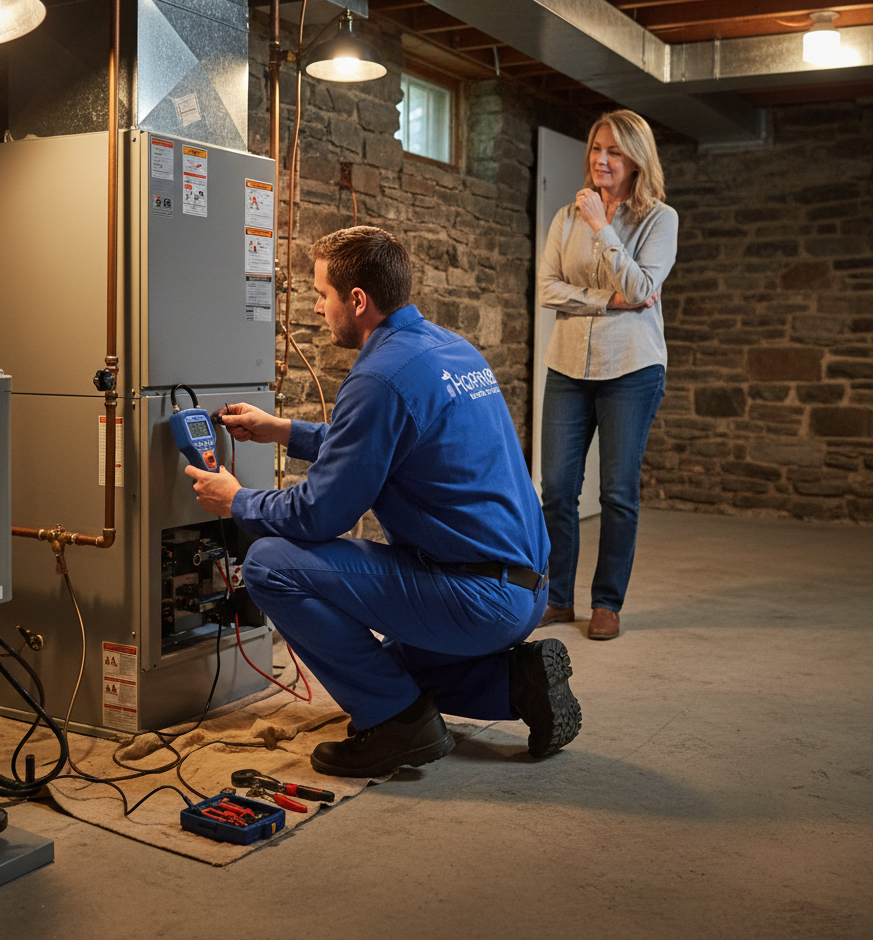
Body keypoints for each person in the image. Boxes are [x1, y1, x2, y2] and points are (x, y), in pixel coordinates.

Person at [186, 226, 581, 778]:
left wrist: (238, 500)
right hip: (526, 587)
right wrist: (283, 431)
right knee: (387, 665)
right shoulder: (446, 349)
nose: (316, 307)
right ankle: (515, 685)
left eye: (321, 294)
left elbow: (321, 514)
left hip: (476, 595)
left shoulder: (379, 378)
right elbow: (380, 446)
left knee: (270, 563)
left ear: (357, 301)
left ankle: (397, 726)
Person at [537, 110, 677, 641]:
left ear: (636, 159)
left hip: (632, 368)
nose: (600, 159)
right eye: (596, 148)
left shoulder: (659, 220)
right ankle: (556, 599)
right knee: (556, 489)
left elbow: (642, 289)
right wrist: (606, 300)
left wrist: (602, 225)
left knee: (617, 492)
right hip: (568, 365)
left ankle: (606, 602)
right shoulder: (563, 218)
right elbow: (548, 288)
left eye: (613, 151)